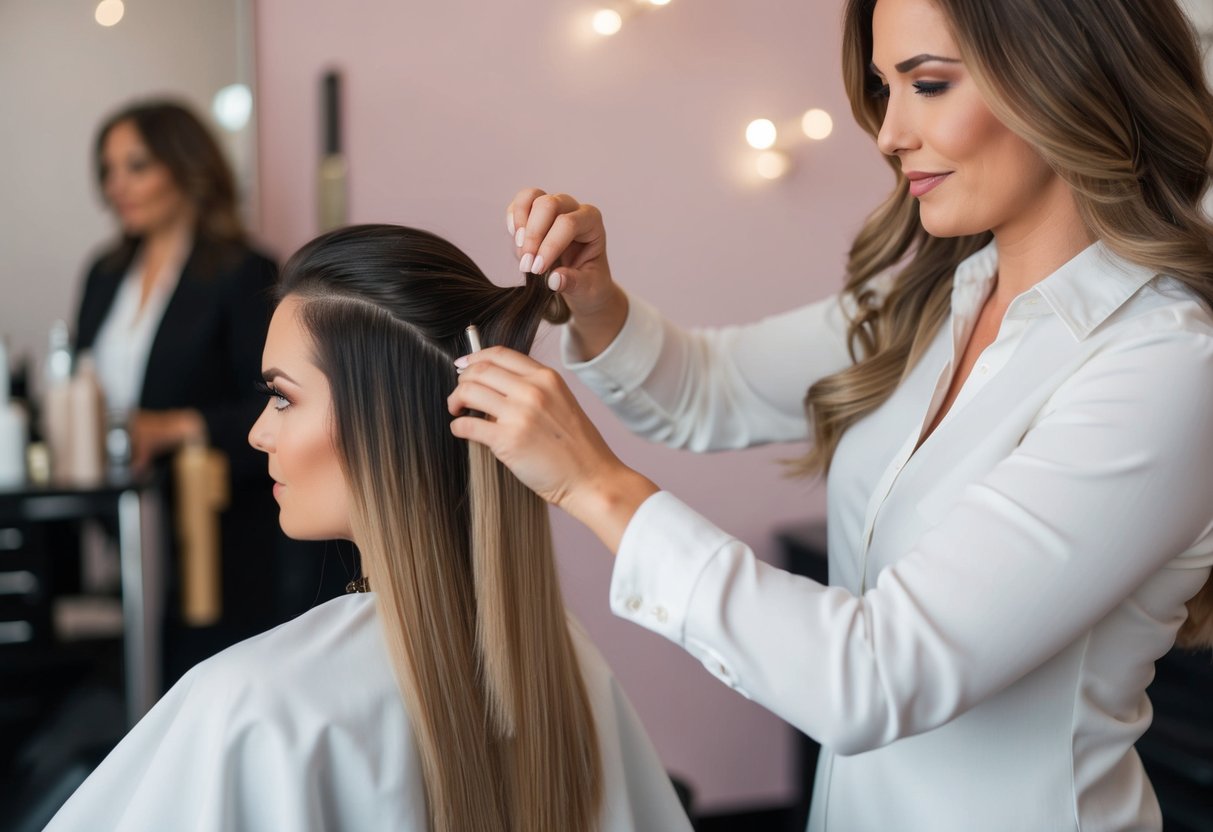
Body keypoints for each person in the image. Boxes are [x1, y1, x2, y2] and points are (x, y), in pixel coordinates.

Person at [446, 0, 1213, 829]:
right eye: (885, 89)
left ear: (1065, 75)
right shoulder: (927, 296)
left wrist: (595, 487)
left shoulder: (1167, 367)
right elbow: (706, 388)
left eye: (926, 84)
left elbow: (875, 676)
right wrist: (593, 300)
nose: (888, 133)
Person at [45, 224, 694, 832]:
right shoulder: (564, 660)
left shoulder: (252, 704)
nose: (257, 432)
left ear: (382, 421)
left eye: (282, 398)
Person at [74, 100, 346, 680]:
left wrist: (172, 427)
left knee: (206, 665)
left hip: (221, 514)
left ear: (185, 166)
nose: (116, 185)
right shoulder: (103, 273)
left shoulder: (242, 270)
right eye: (108, 169)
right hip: (133, 509)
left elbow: (275, 400)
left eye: (136, 166)